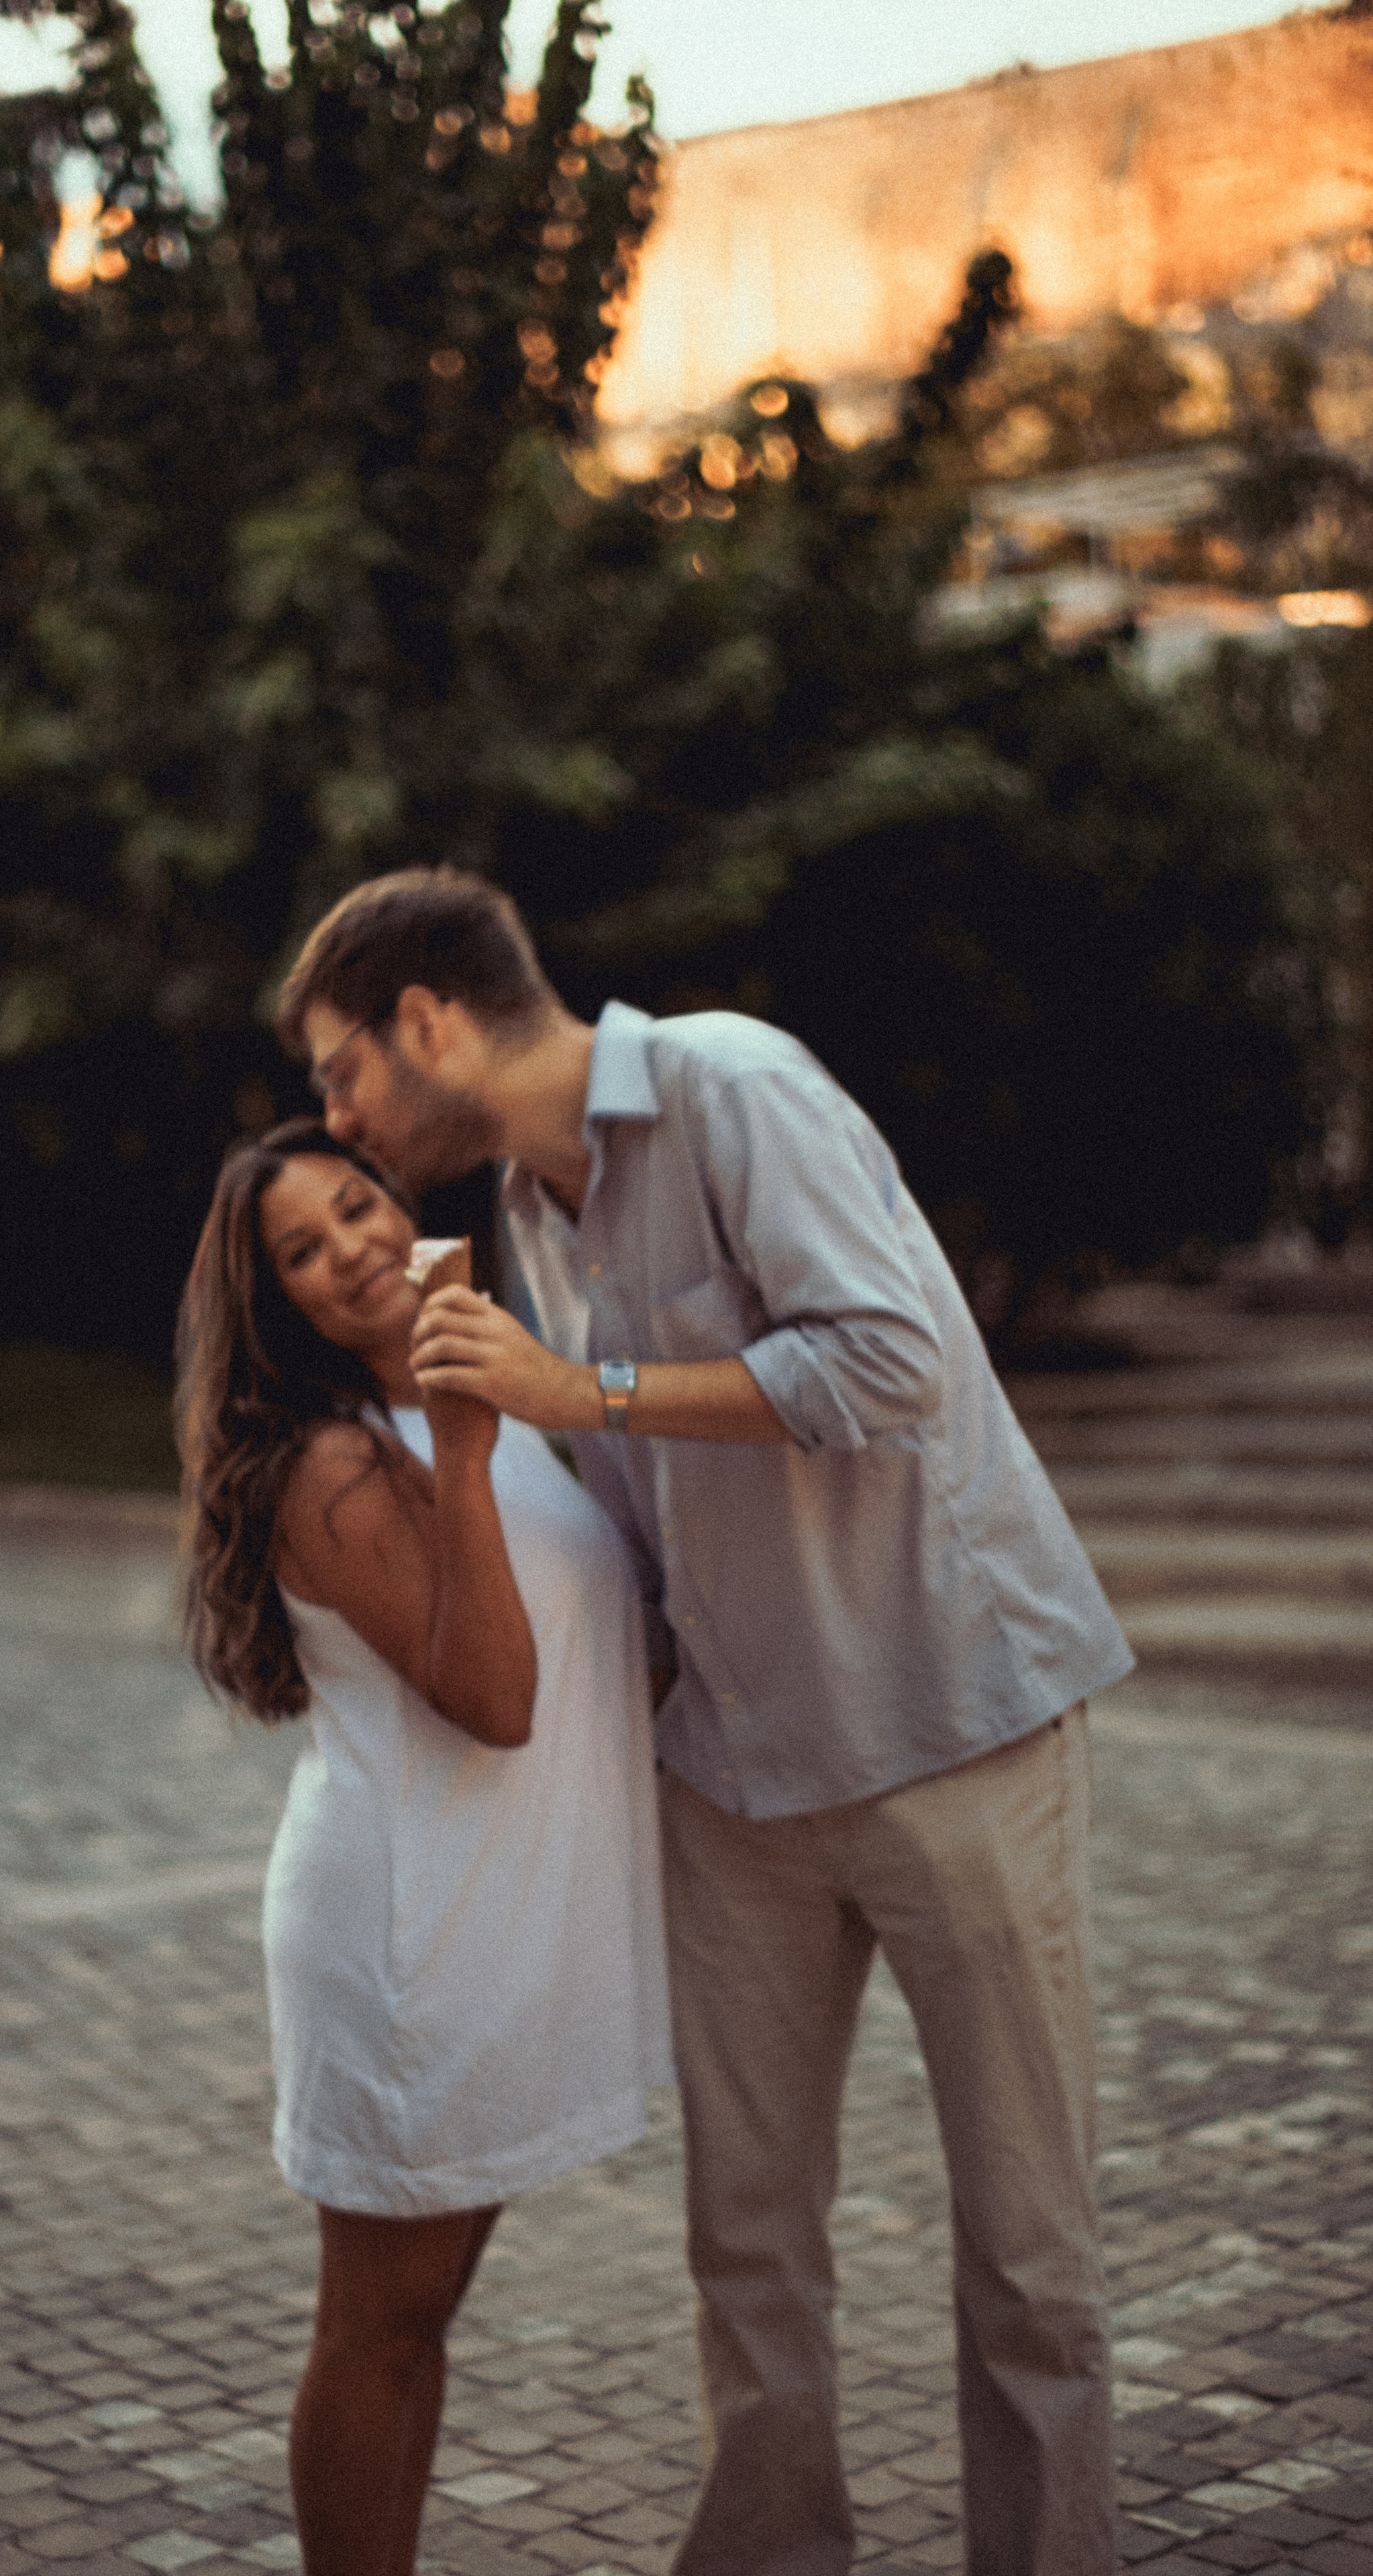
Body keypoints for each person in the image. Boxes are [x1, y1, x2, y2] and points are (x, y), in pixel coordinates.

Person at [274, 868, 1135, 2576]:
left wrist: (575, 1388)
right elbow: (628, 1505)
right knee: (744, 2248)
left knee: (1027, 2255)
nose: (338, 1120)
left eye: (341, 1073)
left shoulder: (731, 1084)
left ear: (427, 1022)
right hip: (734, 1783)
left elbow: (887, 1361)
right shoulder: (525, 1209)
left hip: (944, 1728)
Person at [173, 1116, 670, 2576]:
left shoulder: (484, 1393)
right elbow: (497, 1700)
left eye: (354, 1207)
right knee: (376, 2331)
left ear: (400, 1201)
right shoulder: (332, 1464)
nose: (349, 1251)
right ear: (275, 1302)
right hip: (408, 1934)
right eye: (300, 1252)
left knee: (419, 2323)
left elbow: (602, 1649)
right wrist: (458, 1446)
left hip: (497, 1910)